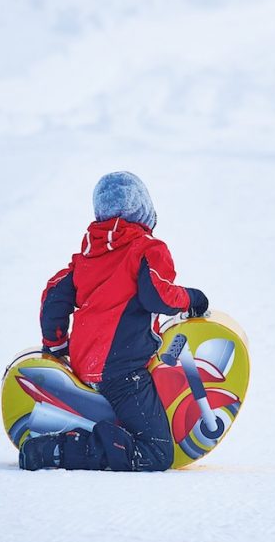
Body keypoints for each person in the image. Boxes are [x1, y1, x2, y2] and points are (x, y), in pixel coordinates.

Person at [18, 171, 209, 472]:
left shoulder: (89, 254)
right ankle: (56, 451)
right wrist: (194, 298)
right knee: (157, 452)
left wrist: (56, 346)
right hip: (123, 372)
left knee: (135, 417)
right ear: (144, 209)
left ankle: (102, 432)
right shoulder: (148, 249)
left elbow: (54, 296)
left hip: (87, 363)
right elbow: (158, 296)